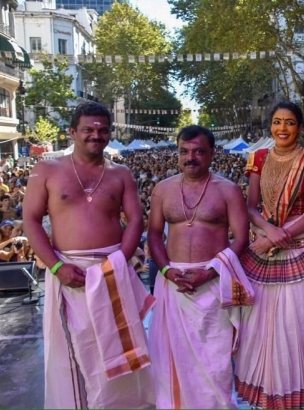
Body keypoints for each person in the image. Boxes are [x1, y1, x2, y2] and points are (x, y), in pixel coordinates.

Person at [22, 101, 154, 409]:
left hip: (113, 270)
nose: (96, 135)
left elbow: (136, 219)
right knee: (78, 348)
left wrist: (118, 261)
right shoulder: (47, 170)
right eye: (88, 130)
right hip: (68, 272)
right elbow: (30, 220)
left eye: (103, 130)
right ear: (72, 132)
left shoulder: (121, 173)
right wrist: (57, 267)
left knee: (121, 346)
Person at [147, 125, 254, 409]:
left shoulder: (228, 190)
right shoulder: (162, 190)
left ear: (211, 154)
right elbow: (154, 235)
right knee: (172, 357)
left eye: (198, 152)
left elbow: (241, 239)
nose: (190, 158)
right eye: (184, 151)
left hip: (214, 282)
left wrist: (210, 271)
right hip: (173, 282)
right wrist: (166, 270)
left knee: (214, 361)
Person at [234, 101, 304, 408]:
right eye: (277, 122)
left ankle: (293, 395)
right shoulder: (259, 157)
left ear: (300, 127)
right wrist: (268, 232)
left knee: (295, 326)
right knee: (258, 327)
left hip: (300, 251)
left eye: (289, 122)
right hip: (262, 249)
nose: (282, 128)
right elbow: (250, 207)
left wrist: (275, 237)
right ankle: (264, 395)